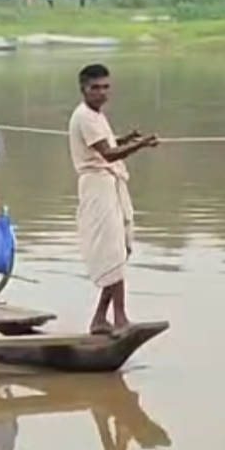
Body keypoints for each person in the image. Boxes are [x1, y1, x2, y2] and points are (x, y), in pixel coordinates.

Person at [69, 64, 159, 334]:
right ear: (83, 89)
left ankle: (100, 319)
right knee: (112, 253)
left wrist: (128, 138)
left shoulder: (96, 116)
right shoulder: (84, 116)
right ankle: (119, 319)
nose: (101, 92)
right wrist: (141, 145)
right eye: (95, 88)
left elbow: (106, 145)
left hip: (109, 184)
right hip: (97, 186)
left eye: (105, 87)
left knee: (118, 251)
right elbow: (107, 155)